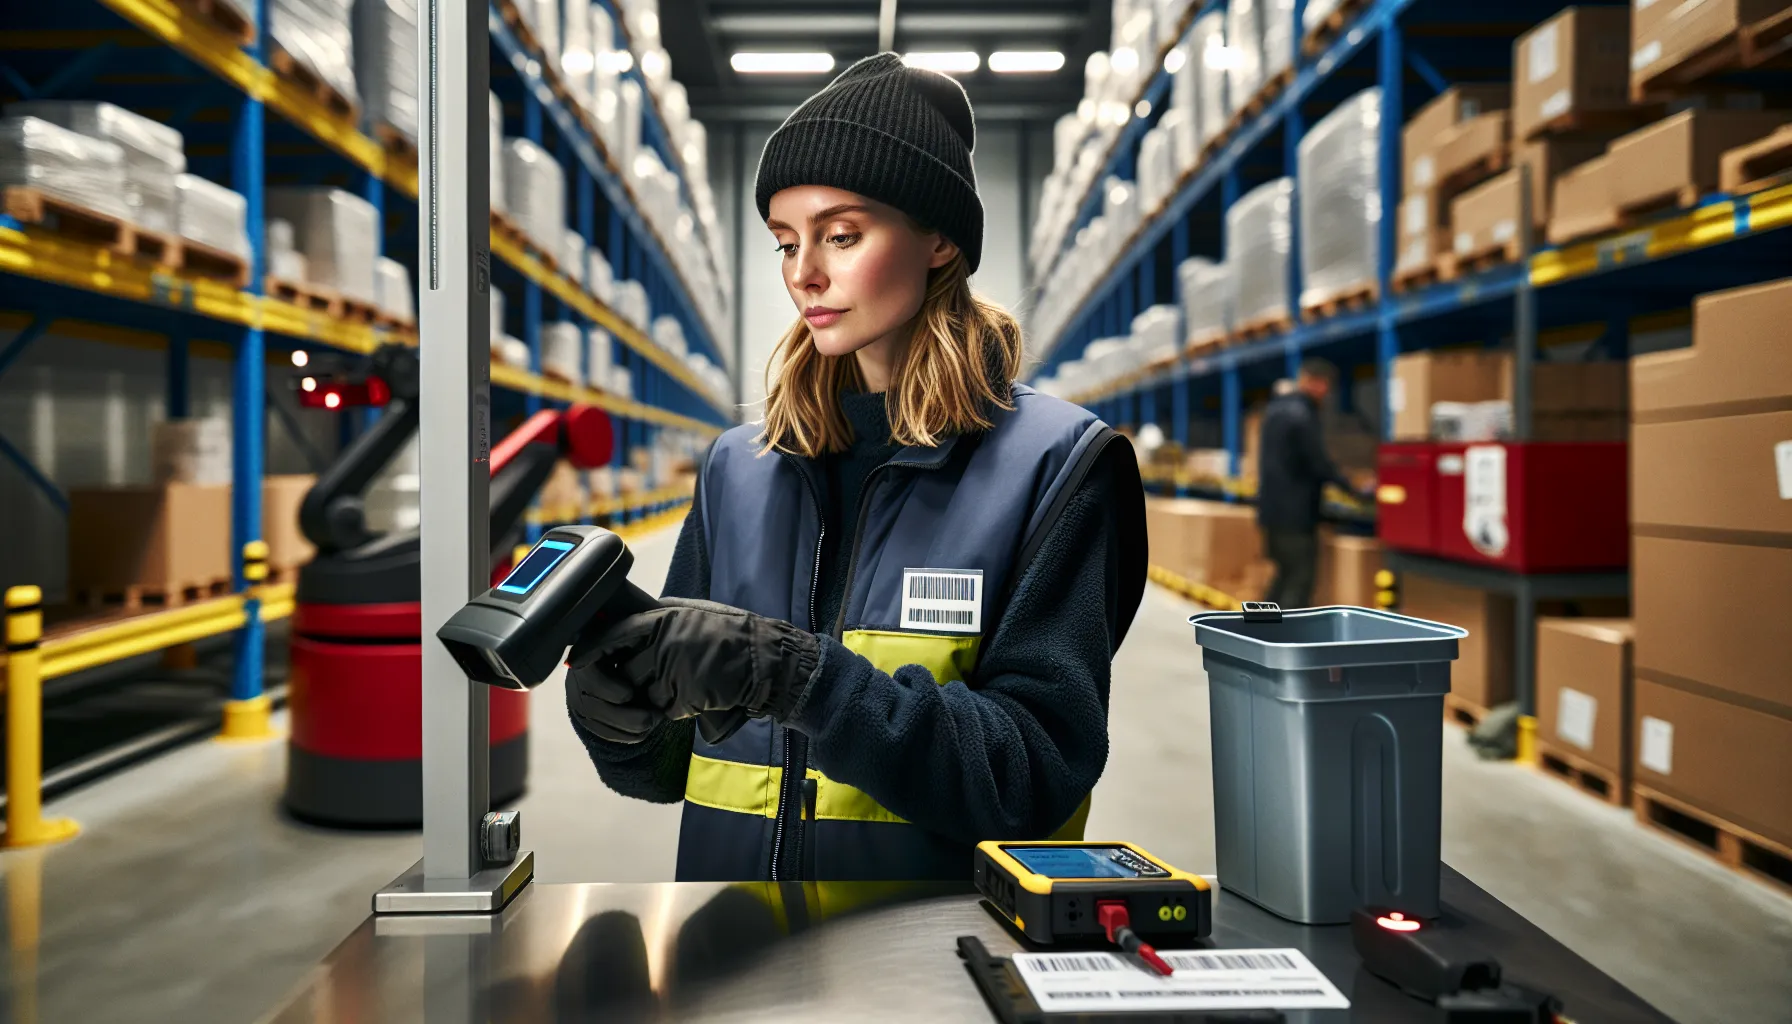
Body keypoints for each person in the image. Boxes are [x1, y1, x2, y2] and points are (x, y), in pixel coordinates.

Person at [563, 53, 1148, 882]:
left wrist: (797, 677)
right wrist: (621, 717)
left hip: (938, 967)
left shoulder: (1056, 467)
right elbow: (676, 767)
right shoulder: (740, 467)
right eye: (786, 241)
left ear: (939, 239)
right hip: (738, 962)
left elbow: (1030, 774)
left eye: (842, 235)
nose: (804, 272)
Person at [1255, 358, 1360, 609]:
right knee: (1300, 580)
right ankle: (1288, 641)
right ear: (1316, 383)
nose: (1327, 394)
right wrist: (1352, 489)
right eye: (1326, 386)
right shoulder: (1302, 415)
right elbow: (1317, 463)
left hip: (1272, 510)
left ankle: (1259, 630)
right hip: (1295, 514)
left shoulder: (1276, 409)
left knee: (1285, 574)